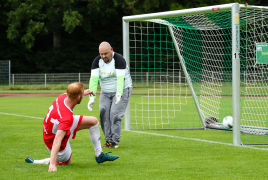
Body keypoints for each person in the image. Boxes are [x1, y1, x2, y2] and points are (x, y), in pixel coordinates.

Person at [25, 82, 119, 172]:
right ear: (78, 97)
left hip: (52, 129)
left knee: (93, 121)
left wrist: (84, 92)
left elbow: (71, 95)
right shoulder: (66, 118)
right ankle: (41, 161)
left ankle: (99, 155)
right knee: (66, 161)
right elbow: (57, 139)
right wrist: (52, 164)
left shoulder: (63, 96)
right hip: (53, 140)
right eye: (81, 94)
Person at [88, 41, 132, 149]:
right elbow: (93, 81)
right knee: (103, 114)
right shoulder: (97, 61)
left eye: (106, 54)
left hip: (122, 89)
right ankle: (108, 141)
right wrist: (91, 97)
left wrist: (119, 93)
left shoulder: (119, 59)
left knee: (115, 114)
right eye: (101, 54)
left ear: (111, 50)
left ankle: (115, 141)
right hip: (105, 92)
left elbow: (120, 79)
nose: (103, 56)